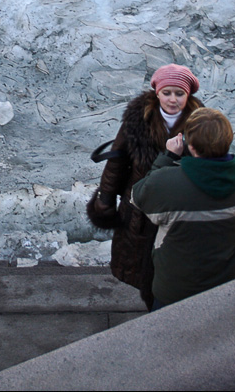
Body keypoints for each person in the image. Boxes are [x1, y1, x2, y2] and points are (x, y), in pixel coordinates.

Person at [87, 63, 203, 310]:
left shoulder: (200, 121)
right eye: (167, 93)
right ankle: (157, 312)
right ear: (157, 93)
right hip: (141, 205)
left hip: (179, 207)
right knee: (144, 265)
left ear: (188, 95)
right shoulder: (137, 119)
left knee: (172, 265)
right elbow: (117, 161)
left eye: (179, 93)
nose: (173, 100)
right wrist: (105, 199)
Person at [131, 107, 235, 310]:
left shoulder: (167, 182)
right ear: (228, 140)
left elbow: (137, 197)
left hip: (175, 290)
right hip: (231, 283)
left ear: (191, 145)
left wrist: (167, 157)